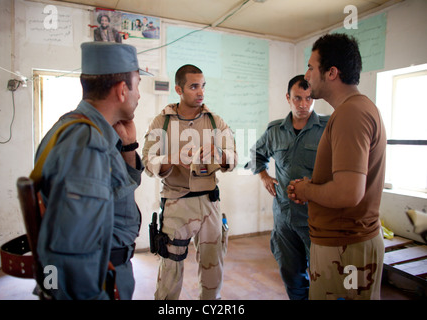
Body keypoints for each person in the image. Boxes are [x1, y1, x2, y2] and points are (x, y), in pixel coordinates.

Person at [35, 42, 151, 299]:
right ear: (122, 90)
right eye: (138, 85)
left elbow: (120, 192)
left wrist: (129, 147)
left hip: (108, 268)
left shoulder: (82, 130)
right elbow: (73, 250)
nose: (139, 95)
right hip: (99, 277)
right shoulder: (87, 144)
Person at [287, 33, 387, 300]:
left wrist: (307, 190)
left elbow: (348, 193)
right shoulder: (354, 109)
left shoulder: (351, 114)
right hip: (344, 244)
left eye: (311, 67)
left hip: (345, 248)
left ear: (331, 72)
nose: (307, 75)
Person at [142, 64, 237, 300]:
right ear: (178, 89)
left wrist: (218, 153)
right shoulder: (161, 123)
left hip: (209, 203)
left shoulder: (215, 122)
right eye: (193, 86)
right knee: (170, 273)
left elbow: (234, 158)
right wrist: (173, 159)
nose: (200, 92)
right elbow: (147, 161)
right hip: (176, 204)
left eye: (202, 86)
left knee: (213, 268)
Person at [245, 75, 329, 300]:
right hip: (284, 218)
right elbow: (255, 154)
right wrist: (263, 176)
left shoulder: (327, 128)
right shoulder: (275, 131)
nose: (303, 104)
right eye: (297, 98)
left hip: (316, 219)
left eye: (309, 99)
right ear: (288, 98)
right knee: (291, 275)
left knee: (325, 276)